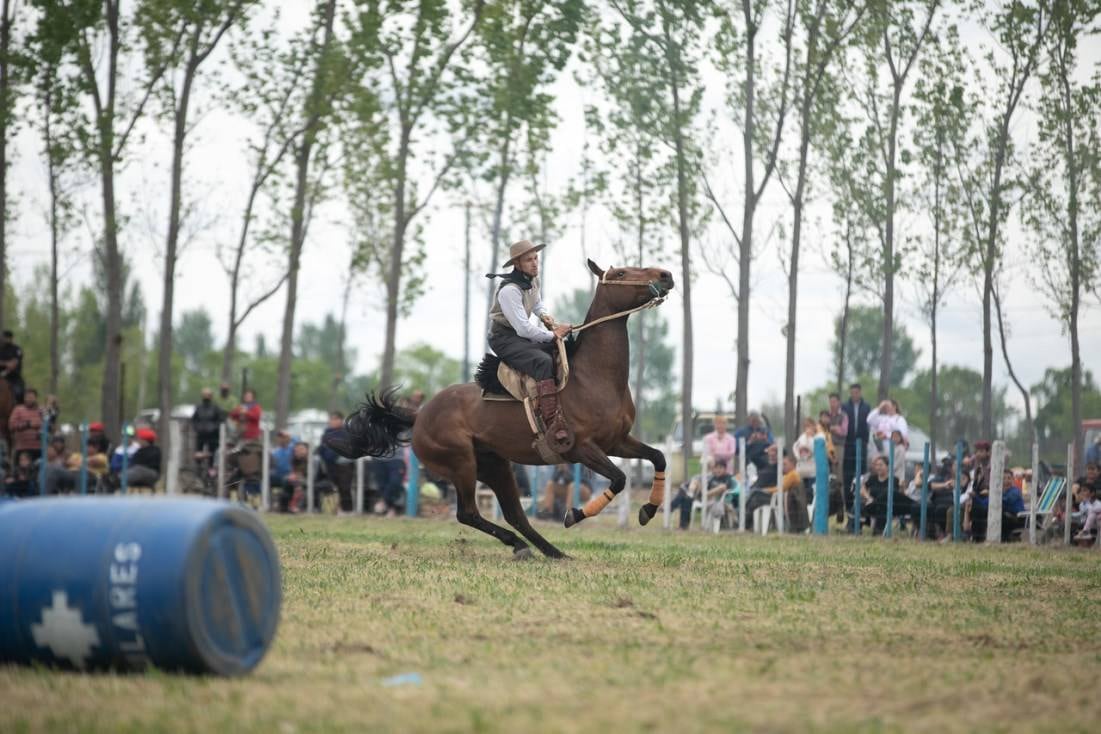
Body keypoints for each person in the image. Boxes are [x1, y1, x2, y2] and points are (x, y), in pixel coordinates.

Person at [486, 240, 572, 450]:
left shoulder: (533, 280)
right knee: (543, 362)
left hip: (518, 335)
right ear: (517, 263)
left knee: (563, 350)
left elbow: (536, 303)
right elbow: (523, 329)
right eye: (528, 260)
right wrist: (553, 335)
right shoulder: (509, 291)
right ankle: (552, 422)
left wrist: (545, 317)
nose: (535, 264)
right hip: (504, 339)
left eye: (536, 258)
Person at [859, 456, 918, 533]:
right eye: (876, 465)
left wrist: (901, 487)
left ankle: (874, 524)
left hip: (890, 506)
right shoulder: (872, 478)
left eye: (881, 465)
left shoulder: (894, 480)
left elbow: (897, 495)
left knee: (887, 494)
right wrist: (869, 498)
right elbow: (862, 489)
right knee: (880, 508)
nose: (878, 467)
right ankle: (877, 531)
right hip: (876, 506)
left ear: (887, 467)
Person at [841, 383, 870, 514]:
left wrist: (865, 441)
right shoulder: (845, 407)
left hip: (862, 444)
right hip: (848, 444)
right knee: (847, 476)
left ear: (860, 392)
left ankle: (860, 507)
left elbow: (868, 425)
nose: (854, 395)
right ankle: (848, 507)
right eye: (852, 392)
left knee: (861, 475)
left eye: (857, 392)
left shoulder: (866, 407)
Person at [319, 412, 355, 512]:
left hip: (344, 464)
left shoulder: (347, 432)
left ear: (341, 420)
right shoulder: (327, 432)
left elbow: (344, 447)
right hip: (330, 464)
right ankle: (336, 509)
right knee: (335, 487)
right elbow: (322, 448)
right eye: (331, 419)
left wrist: (332, 454)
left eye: (335, 419)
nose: (333, 421)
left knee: (345, 487)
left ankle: (348, 510)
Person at [191, 388, 225, 466]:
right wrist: (197, 427)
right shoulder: (198, 407)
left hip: (212, 435)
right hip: (201, 434)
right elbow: (194, 419)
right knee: (198, 454)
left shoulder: (215, 408)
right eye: (204, 395)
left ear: (211, 396)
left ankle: (211, 472)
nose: (206, 396)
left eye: (208, 395)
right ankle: (199, 470)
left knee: (211, 455)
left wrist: (214, 427)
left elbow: (221, 420)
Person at [8, 387, 44, 463]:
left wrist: (40, 425)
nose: (29, 399)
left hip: (38, 448)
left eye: (31, 397)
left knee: (37, 470)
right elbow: (11, 425)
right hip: (22, 448)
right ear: (24, 398)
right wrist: (28, 424)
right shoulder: (18, 409)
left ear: (35, 398)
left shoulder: (41, 410)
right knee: (21, 471)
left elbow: (48, 424)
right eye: (27, 397)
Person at [792, 417, 819, 493]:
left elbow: (814, 450)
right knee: (801, 491)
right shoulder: (802, 437)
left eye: (809, 425)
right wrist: (798, 456)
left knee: (812, 491)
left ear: (814, 426)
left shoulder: (817, 437)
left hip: (812, 470)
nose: (808, 428)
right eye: (806, 426)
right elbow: (795, 448)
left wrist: (808, 447)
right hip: (802, 470)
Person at [0, 329, 25, 403]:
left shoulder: (16, 349)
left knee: (19, 393)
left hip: (14, 378)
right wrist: (7, 363)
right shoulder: (1, 349)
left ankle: (20, 411)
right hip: (0, 377)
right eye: (3, 337)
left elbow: (13, 364)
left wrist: (4, 365)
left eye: (6, 337)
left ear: (11, 338)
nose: (4, 339)